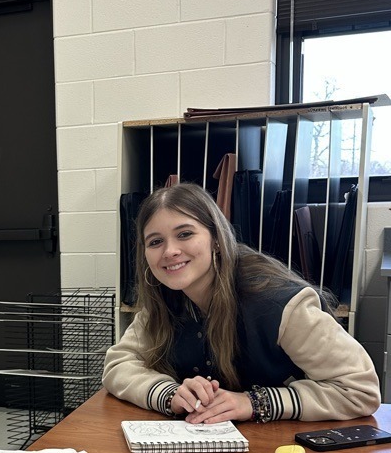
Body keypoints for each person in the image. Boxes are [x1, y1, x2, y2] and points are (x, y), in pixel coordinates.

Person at [103, 182, 381, 424]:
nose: (170, 251)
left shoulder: (280, 303)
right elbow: (118, 365)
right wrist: (170, 394)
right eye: (155, 242)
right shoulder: (161, 299)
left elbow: (360, 390)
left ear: (216, 239)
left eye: (185, 234)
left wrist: (252, 403)